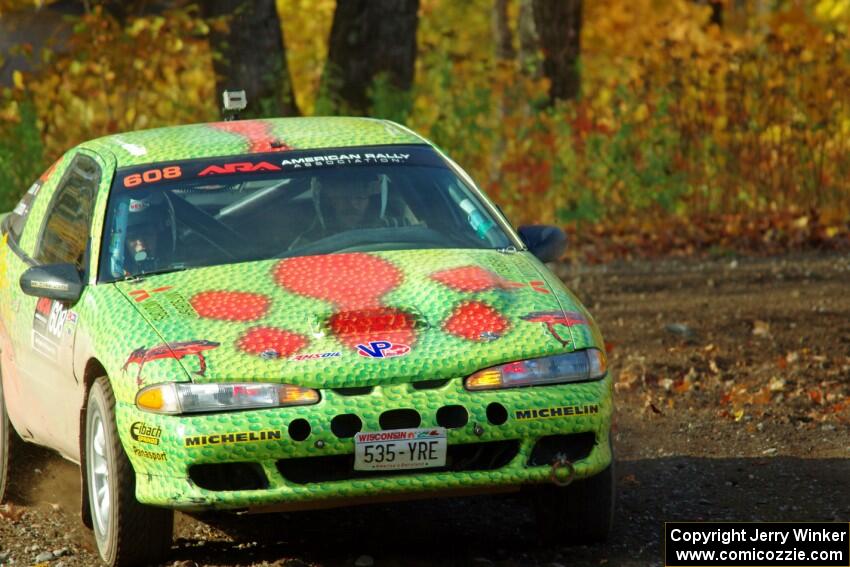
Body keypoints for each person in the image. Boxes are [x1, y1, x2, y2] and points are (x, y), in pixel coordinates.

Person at [290, 169, 392, 248]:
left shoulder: (398, 230)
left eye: (360, 195)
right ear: (326, 201)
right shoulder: (306, 246)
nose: (352, 203)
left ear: (373, 200)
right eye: (341, 195)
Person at [109, 194, 175, 277]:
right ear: (123, 244)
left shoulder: (187, 262)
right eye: (132, 237)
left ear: (159, 235)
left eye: (147, 233)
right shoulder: (114, 278)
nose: (141, 243)